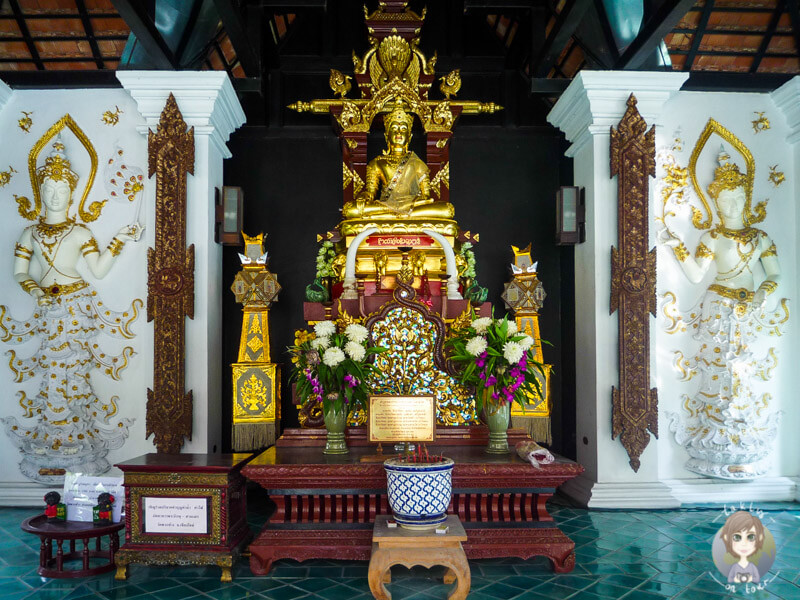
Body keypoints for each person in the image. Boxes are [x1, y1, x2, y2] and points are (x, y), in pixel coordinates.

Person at [2, 137, 141, 484]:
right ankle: (53, 441)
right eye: (48, 189)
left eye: (60, 189)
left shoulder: (80, 231)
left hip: (76, 305)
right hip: (48, 307)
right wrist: (35, 289)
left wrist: (120, 238)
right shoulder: (30, 232)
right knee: (52, 370)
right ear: (40, 191)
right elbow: (20, 271)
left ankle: (75, 438)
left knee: (74, 371)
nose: (54, 196)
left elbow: (98, 270)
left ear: (72, 192)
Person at [659, 149, 781, 479]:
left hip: (747, 307)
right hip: (717, 306)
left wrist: (761, 293)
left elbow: (774, 274)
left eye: (736, 199)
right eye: (723, 201)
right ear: (715, 202)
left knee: (743, 365)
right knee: (717, 366)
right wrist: (676, 245)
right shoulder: (712, 236)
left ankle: (742, 427)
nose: (730, 207)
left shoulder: (760, 238)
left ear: (745, 198)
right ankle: (714, 429)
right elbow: (697, 275)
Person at [342, 106, 454, 220]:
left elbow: (426, 196)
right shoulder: (377, 163)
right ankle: (397, 213)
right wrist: (364, 196)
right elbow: (370, 192)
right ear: (387, 136)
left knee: (446, 210)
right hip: (386, 206)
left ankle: (394, 215)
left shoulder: (417, 163)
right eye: (394, 128)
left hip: (411, 206)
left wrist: (413, 201)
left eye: (403, 129)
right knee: (350, 210)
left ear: (409, 136)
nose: (398, 132)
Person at [720, 511, 765, 583]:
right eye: (737, 537)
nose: (744, 543)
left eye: (751, 537)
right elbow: (730, 579)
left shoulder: (752, 567)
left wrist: (750, 579)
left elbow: (757, 579)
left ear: (759, 538)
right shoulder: (735, 567)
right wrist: (736, 579)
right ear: (727, 538)